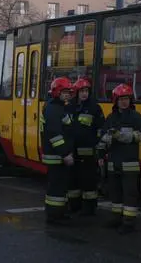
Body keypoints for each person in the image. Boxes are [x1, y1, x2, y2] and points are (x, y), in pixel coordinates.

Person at [97, 84, 141, 234]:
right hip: (113, 163)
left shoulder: (137, 118)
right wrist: (100, 154)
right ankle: (116, 218)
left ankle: (128, 222)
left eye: (126, 99)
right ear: (116, 101)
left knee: (130, 194)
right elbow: (103, 138)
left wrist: (121, 136)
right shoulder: (111, 118)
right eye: (121, 99)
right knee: (115, 193)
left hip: (129, 163)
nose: (124, 102)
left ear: (130, 100)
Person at [40, 77, 75, 225]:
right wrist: (65, 154)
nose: (67, 95)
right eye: (64, 92)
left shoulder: (57, 107)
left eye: (68, 92)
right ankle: (53, 216)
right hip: (57, 156)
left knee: (60, 187)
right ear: (57, 92)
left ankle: (59, 213)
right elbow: (55, 135)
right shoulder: (54, 109)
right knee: (56, 187)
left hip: (58, 155)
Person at [67, 78, 105, 215]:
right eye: (82, 91)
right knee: (72, 183)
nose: (84, 94)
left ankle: (89, 209)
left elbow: (101, 129)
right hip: (72, 153)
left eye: (87, 91)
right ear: (76, 92)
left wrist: (99, 149)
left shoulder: (94, 107)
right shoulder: (69, 106)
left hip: (88, 154)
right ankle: (74, 206)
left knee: (89, 183)